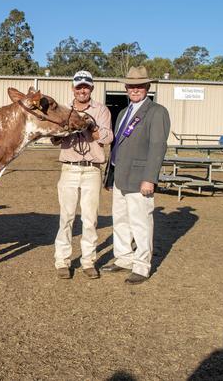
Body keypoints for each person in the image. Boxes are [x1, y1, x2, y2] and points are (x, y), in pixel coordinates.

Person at [102, 66, 170, 284]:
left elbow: (157, 147)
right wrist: (110, 175)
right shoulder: (123, 112)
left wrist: (150, 178)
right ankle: (123, 258)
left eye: (140, 85)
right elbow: (118, 146)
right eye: (131, 85)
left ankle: (141, 265)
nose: (135, 89)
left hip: (140, 178)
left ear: (148, 87)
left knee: (141, 223)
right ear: (126, 88)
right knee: (120, 220)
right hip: (121, 175)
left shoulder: (157, 111)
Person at [52, 70, 113, 279]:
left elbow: (107, 138)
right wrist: (65, 129)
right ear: (73, 88)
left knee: (90, 219)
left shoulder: (101, 109)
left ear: (91, 88)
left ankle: (88, 261)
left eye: (86, 86)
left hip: (91, 169)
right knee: (66, 217)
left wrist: (91, 125)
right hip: (69, 167)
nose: (82, 90)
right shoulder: (64, 109)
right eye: (79, 86)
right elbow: (54, 139)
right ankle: (62, 261)